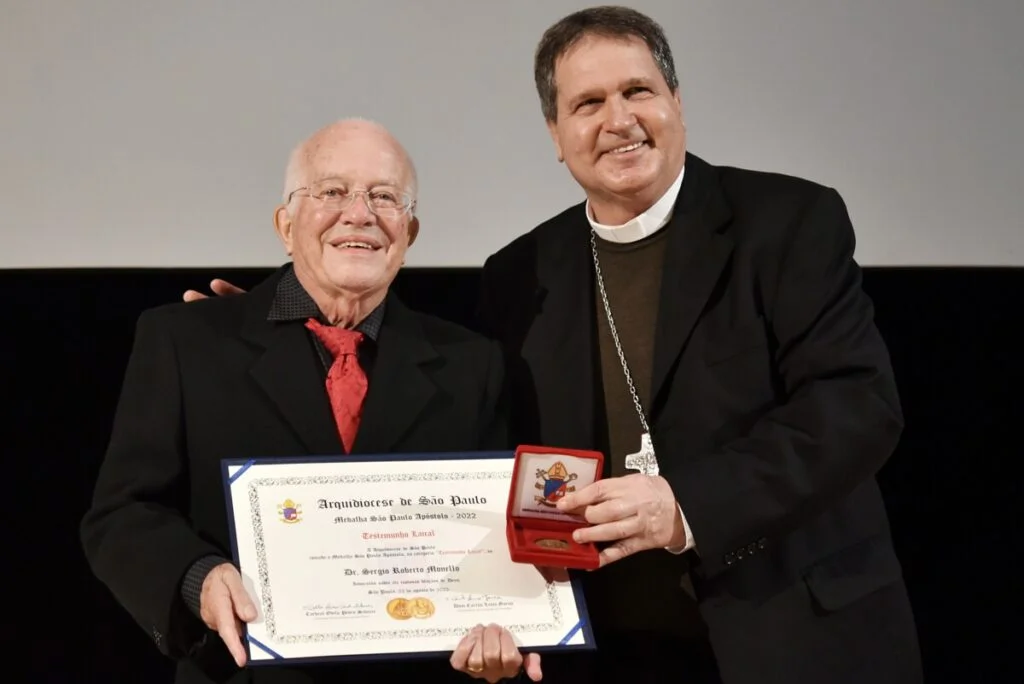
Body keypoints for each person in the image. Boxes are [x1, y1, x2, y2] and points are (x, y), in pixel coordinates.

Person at [185, 7, 923, 684]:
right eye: (588, 104)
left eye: (638, 91)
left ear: (676, 102)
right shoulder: (521, 272)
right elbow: (439, 372)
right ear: (555, 133)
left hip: (796, 638)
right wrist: (295, 317)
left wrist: (686, 505)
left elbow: (856, 406)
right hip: (611, 651)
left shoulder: (788, 221)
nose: (619, 121)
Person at [81, 118, 509, 684]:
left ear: (410, 232)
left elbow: (495, 537)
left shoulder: (471, 364)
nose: (359, 213)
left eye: (385, 196)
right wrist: (198, 578)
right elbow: (122, 514)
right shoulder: (186, 341)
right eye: (332, 192)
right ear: (286, 225)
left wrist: (501, 625)